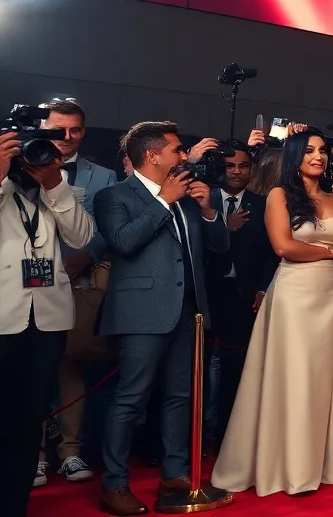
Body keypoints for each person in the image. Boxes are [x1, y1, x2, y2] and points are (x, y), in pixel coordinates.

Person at [212, 132, 333, 495]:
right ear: (296, 156)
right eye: (310, 150)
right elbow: (284, 247)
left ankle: (325, 462)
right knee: (294, 376)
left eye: (323, 151)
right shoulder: (279, 195)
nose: (318, 156)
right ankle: (288, 466)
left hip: (331, 295)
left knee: (325, 377)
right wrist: (329, 253)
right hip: (293, 295)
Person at [94, 122, 229, 516]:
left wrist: (208, 211)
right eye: (177, 149)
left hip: (189, 312)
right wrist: (163, 201)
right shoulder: (114, 195)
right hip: (141, 312)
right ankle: (114, 484)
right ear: (152, 155)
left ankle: (174, 474)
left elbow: (220, 249)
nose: (184, 156)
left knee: (180, 396)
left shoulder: (188, 196)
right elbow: (123, 242)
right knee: (131, 398)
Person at [0, 129, 94, 517]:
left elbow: (82, 236)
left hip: (48, 319)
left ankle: (14, 505)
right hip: (3, 315)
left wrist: (55, 185)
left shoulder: (57, 184)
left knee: (28, 419)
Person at [34, 98, 117, 487]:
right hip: (26, 284)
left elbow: (108, 228)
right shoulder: (20, 166)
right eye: (58, 129)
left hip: (79, 284)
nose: (66, 137)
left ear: (84, 132)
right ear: (43, 127)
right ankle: (33, 455)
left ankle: (70, 451)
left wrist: (86, 257)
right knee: (32, 372)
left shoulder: (103, 176)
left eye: (75, 130)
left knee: (72, 367)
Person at [204, 143, 276, 444]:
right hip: (205, 294)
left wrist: (263, 288)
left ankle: (227, 436)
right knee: (198, 367)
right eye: (230, 166)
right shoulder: (202, 198)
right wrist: (225, 226)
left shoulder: (263, 204)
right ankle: (196, 435)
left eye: (243, 166)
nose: (236, 171)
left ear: (251, 169)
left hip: (244, 297)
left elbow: (270, 253)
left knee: (236, 369)